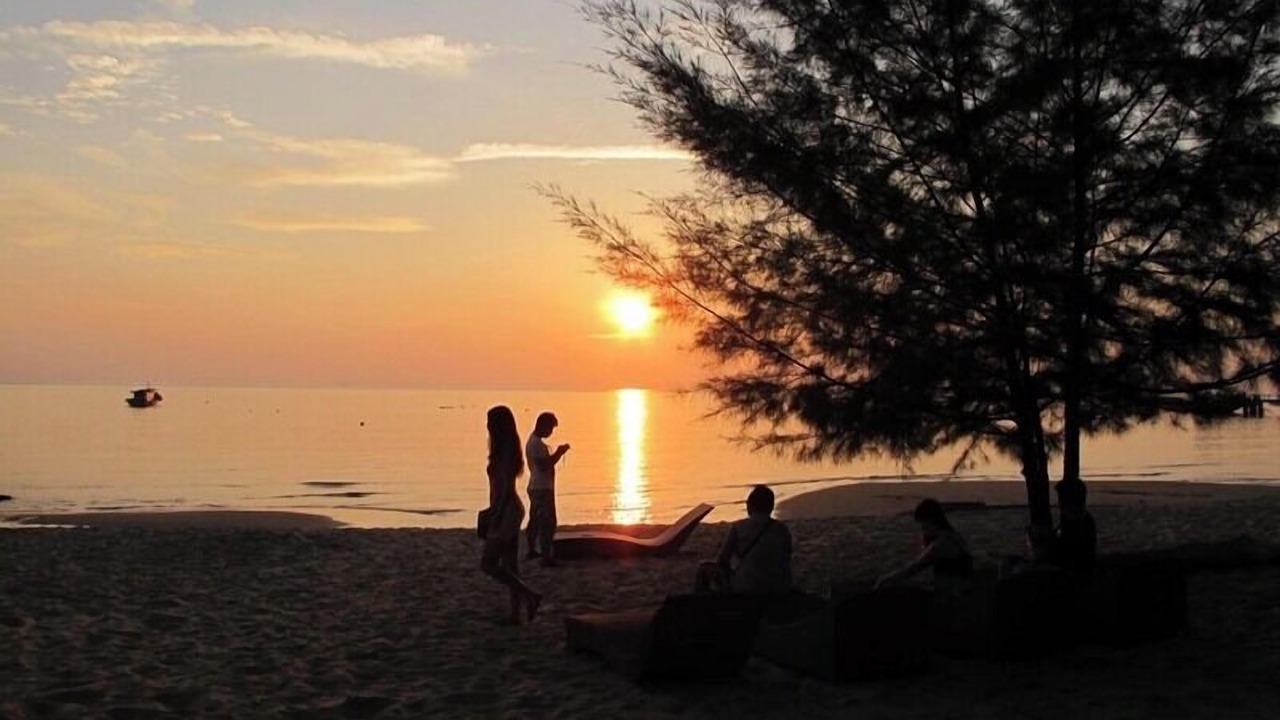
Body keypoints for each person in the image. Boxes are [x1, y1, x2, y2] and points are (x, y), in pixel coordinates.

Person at [480, 405, 542, 625]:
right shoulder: (502, 451)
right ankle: (515, 614)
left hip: (507, 510)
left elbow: (505, 487)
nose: (487, 425)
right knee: (509, 565)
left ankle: (530, 596)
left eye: (490, 422)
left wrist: (495, 512)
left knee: (487, 563)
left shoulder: (505, 453)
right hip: (508, 509)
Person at [694, 485, 793, 595]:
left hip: (747, 589)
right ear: (771, 507)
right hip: (779, 587)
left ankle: (702, 606)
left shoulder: (738, 528)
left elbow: (722, 561)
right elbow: (786, 558)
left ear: (750, 505)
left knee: (703, 568)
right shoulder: (782, 530)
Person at [875, 498, 973, 594]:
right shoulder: (954, 536)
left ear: (931, 521)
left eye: (924, 527)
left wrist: (885, 580)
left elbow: (913, 568)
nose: (923, 531)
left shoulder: (941, 544)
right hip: (960, 587)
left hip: (951, 593)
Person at [524, 412, 570, 566]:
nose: (551, 432)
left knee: (535, 520)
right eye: (550, 428)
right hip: (542, 488)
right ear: (543, 425)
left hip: (536, 486)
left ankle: (532, 550)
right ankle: (546, 557)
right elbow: (544, 465)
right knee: (547, 522)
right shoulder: (536, 444)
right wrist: (559, 452)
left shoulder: (533, 442)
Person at [1045, 476, 1097, 582]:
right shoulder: (1071, 521)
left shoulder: (1080, 525)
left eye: (1061, 499)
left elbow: (1071, 557)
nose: (1059, 504)